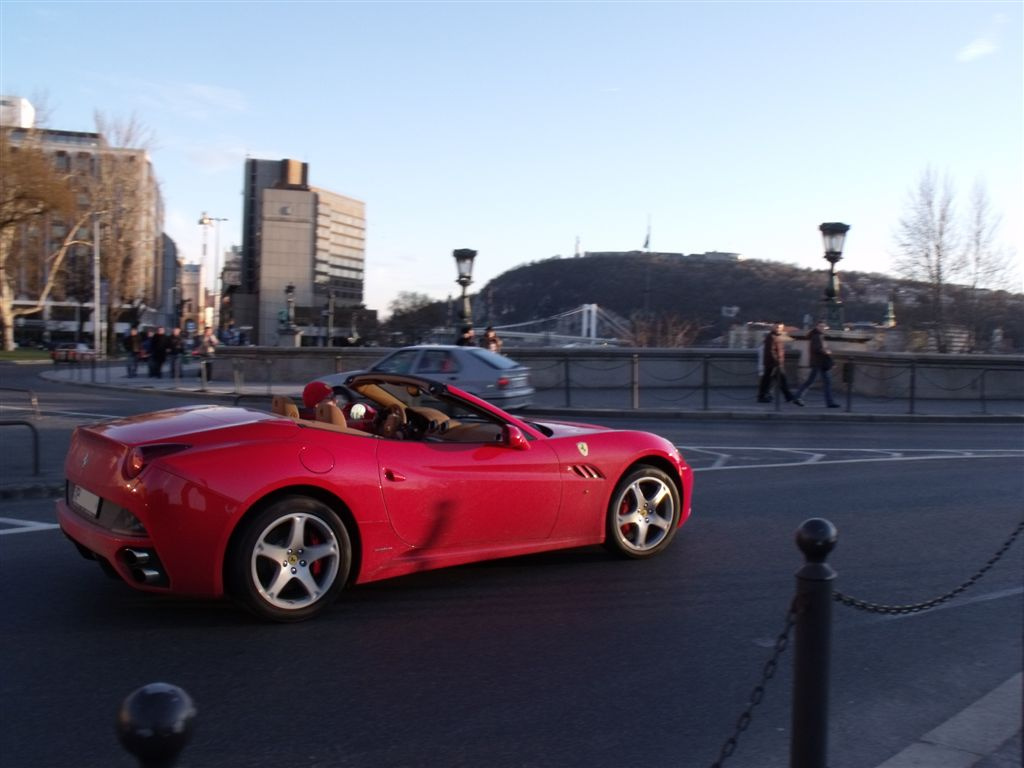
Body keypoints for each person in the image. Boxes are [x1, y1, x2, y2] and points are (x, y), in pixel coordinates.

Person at [794, 321, 840, 408]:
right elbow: (818, 349)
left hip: (819, 363)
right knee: (824, 382)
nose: (822, 328)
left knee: (813, 381)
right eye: (821, 326)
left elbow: (818, 349)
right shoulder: (817, 336)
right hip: (819, 363)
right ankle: (829, 402)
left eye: (824, 327)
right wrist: (827, 352)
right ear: (817, 327)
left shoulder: (816, 336)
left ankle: (798, 396)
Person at [757, 322, 800, 405]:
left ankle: (763, 396)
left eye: (780, 327)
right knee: (779, 380)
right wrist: (777, 361)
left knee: (768, 381)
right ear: (773, 327)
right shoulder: (772, 337)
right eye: (777, 327)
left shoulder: (776, 336)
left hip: (772, 363)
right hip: (774, 363)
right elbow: (771, 351)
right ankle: (788, 396)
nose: (778, 329)